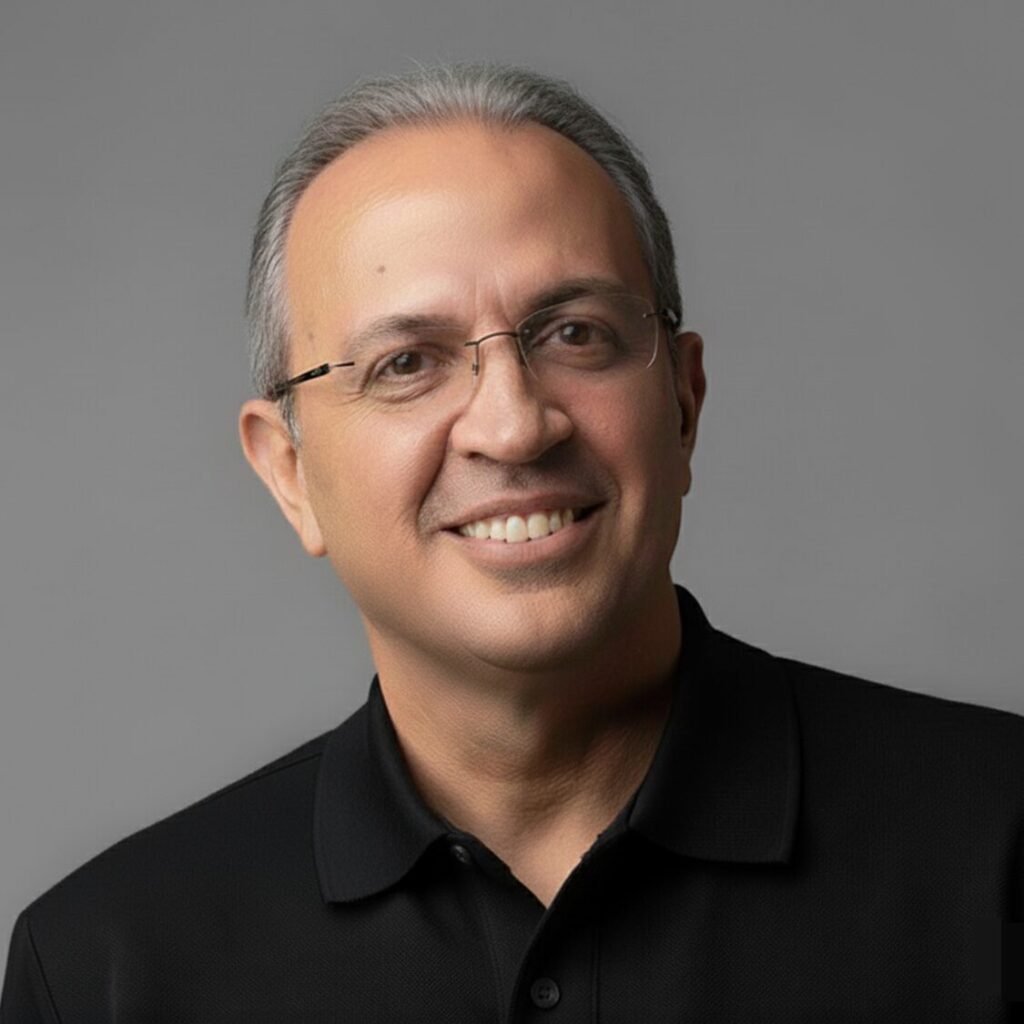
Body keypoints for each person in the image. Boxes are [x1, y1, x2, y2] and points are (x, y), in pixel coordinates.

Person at [2, 59, 1021, 1023]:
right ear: (289, 473)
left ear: (683, 403)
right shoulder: (105, 969)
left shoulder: (1002, 842)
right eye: (407, 363)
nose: (514, 425)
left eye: (574, 333)